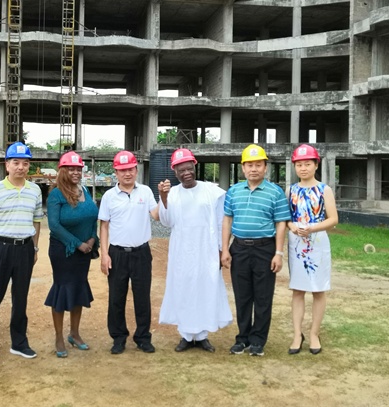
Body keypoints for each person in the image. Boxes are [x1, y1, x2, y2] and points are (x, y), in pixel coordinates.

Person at [157, 149, 232, 353]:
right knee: (184, 290)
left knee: (205, 289)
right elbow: (166, 221)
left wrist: (221, 250)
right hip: (182, 252)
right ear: (175, 172)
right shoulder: (172, 193)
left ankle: (202, 336)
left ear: (195, 166)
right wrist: (163, 197)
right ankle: (186, 335)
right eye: (181, 170)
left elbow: (221, 223)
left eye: (189, 168)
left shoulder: (212, 191)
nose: (186, 173)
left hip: (207, 250)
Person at [0, 142, 43, 363]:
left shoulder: (35, 190)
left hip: (25, 248)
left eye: (25, 163)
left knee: (21, 298)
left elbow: (37, 221)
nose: (21, 167)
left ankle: (19, 343)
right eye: (16, 162)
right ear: (7, 165)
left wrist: (34, 248)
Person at [221, 144, 290, 357]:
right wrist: (225, 250)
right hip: (239, 248)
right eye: (249, 165)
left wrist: (278, 253)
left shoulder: (275, 192)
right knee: (242, 296)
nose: (254, 169)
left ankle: (258, 340)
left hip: (264, 249)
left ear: (265, 167)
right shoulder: (233, 192)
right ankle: (242, 338)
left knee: (262, 296)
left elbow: (281, 223)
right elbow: (227, 220)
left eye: (258, 165)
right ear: (243, 168)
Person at [98, 150, 159, 355]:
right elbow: (104, 226)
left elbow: (156, 215)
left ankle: (143, 337)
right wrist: (105, 254)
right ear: (116, 172)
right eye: (122, 170)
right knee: (116, 297)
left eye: (131, 169)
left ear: (136, 170)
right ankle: (118, 337)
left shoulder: (145, 192)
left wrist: (165, 197)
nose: (127, 173)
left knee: (142, 297)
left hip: (141, 252)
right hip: (117, 253)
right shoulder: (109, 196)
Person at [44, 151, 99, 358]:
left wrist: (92, 238)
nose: (75, 172)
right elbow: (54, 225)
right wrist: (77, 244)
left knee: (78, 288)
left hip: (85, 251)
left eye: (78, 169)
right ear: (62, 170)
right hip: (63, 251)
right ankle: (59, 336)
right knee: (62, 289)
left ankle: (74, 333)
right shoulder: (56, 194)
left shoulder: (84, 190)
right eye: (71, 169)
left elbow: (92, 218)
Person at [286, 144, 338, 355]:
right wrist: (292, 227)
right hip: (296, 243)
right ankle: (297, 334)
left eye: (307, 164)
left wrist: (312, 228)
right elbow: (286, 218)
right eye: (299, 164)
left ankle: (314, 333)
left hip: (317, 242)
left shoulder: (325, 190)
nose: (303, 168)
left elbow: (333, 219)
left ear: (316, 165)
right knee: (298, 289)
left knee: (318, 289)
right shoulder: (290, 190)